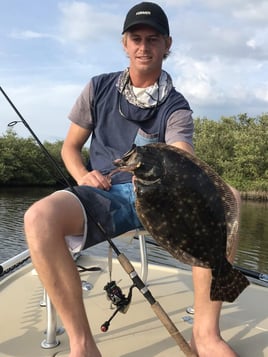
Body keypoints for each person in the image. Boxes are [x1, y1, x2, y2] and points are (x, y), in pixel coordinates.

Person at [24, 2, 239, 357]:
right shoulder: (98, 88)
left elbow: (181, 152)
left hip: (162, 199)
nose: (144, 46)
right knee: (38, 217)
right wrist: (83, 174)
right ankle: (83, 345)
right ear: (124, 43)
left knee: (227, 195)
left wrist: (171, 170)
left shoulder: (176, 104)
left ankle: (206, 334)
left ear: (167, 44)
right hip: (105, 192)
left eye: (152, 39)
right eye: (135, 38)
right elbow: (70, 148)